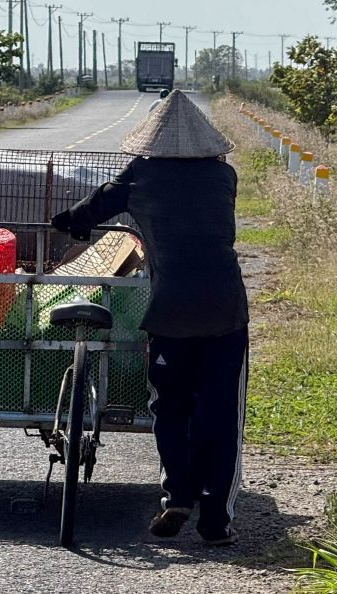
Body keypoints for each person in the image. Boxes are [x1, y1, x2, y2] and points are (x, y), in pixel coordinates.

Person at [51, 90, 249, 546]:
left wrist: (70, 221)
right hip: (224, 309)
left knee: (169, 406)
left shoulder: (140, 175)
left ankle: (178, 493)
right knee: (220, 415)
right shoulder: (225, 176)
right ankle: (216, 521)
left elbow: (96, 206)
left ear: (151, 143)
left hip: (170, 313)